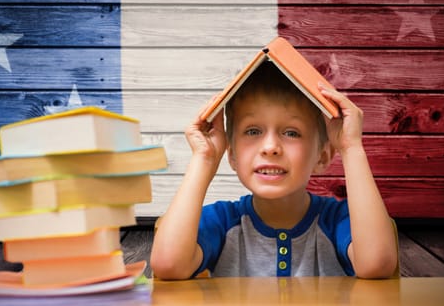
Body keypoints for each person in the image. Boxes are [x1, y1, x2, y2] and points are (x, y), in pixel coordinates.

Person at [151, 61, 398, 279]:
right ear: (232, 155)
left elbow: (377, 264)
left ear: (322, 156)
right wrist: (204, 159)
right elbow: (168, 265)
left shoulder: (339, 220)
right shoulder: (223, 221)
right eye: (253, 131)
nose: (270, 147)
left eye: (291, 133)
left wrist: (351, 147)